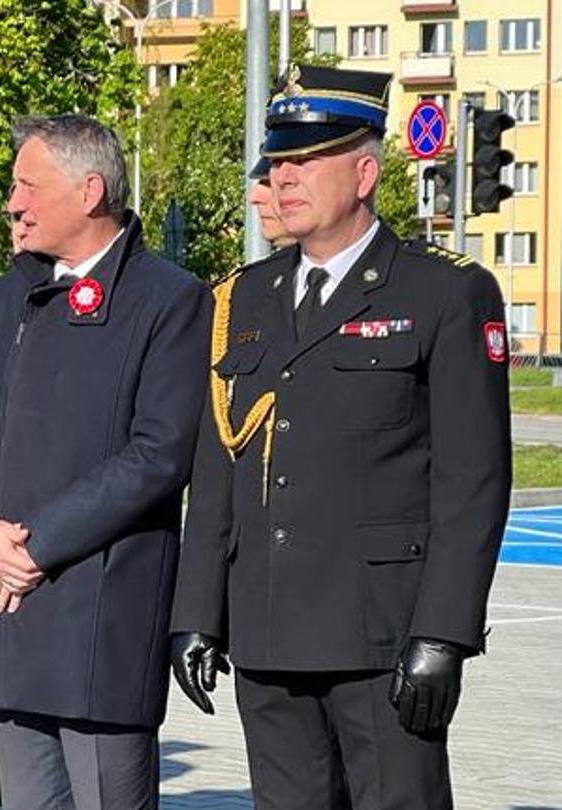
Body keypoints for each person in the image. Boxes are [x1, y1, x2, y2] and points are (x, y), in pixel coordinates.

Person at [172, 65, 510, 810]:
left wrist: (444, 634)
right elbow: (218, 470)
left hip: (380, 636)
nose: (282, 178)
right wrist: (196, 614)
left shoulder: (443, 291)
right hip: (265, 632)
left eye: (304, 161)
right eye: (276, 162)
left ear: (363, 172)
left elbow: (473, 479)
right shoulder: (243, 298)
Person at [0, 113, 210, 810]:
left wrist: (36, 547)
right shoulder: (11, 294)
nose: (12, 203)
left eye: (27, 185)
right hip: (6, 610)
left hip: (98, 614)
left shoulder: (170, 300)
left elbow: (158, 454)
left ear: (90, 191)